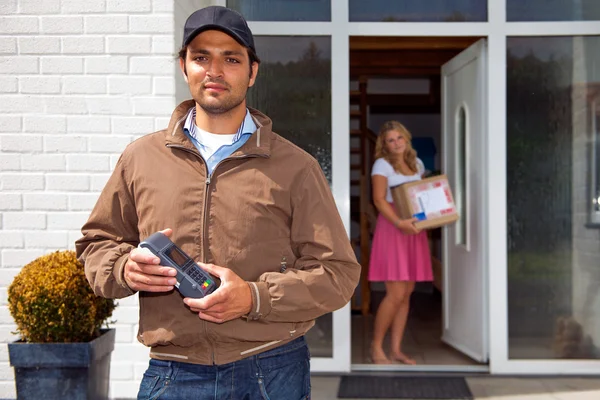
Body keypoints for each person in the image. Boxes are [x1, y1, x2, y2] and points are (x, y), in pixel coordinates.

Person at [75, 6, 361, 399]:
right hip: (174, 373)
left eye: (231, 58)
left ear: (252, 71)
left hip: (272, 370)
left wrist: (253, 296)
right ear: (184, 66)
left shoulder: (296, 166)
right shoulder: (140, 158)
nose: (215, 70)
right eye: (201, 57)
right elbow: (95, 245)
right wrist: (124, 269)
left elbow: (338, 274)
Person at [368, 121, 433, 365]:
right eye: (390, 140)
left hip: (414, 228)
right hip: (394, 227)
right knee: (395, 294)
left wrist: (431, 216)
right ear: (384, 145)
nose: (395, 143)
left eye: (399, 138)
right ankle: (376, 347)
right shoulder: (382, 164)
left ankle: (396, 349)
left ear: (406, 138)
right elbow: (378, 200)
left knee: (406, 294)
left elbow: (422, 195)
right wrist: (399, 223)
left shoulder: (418, 164)